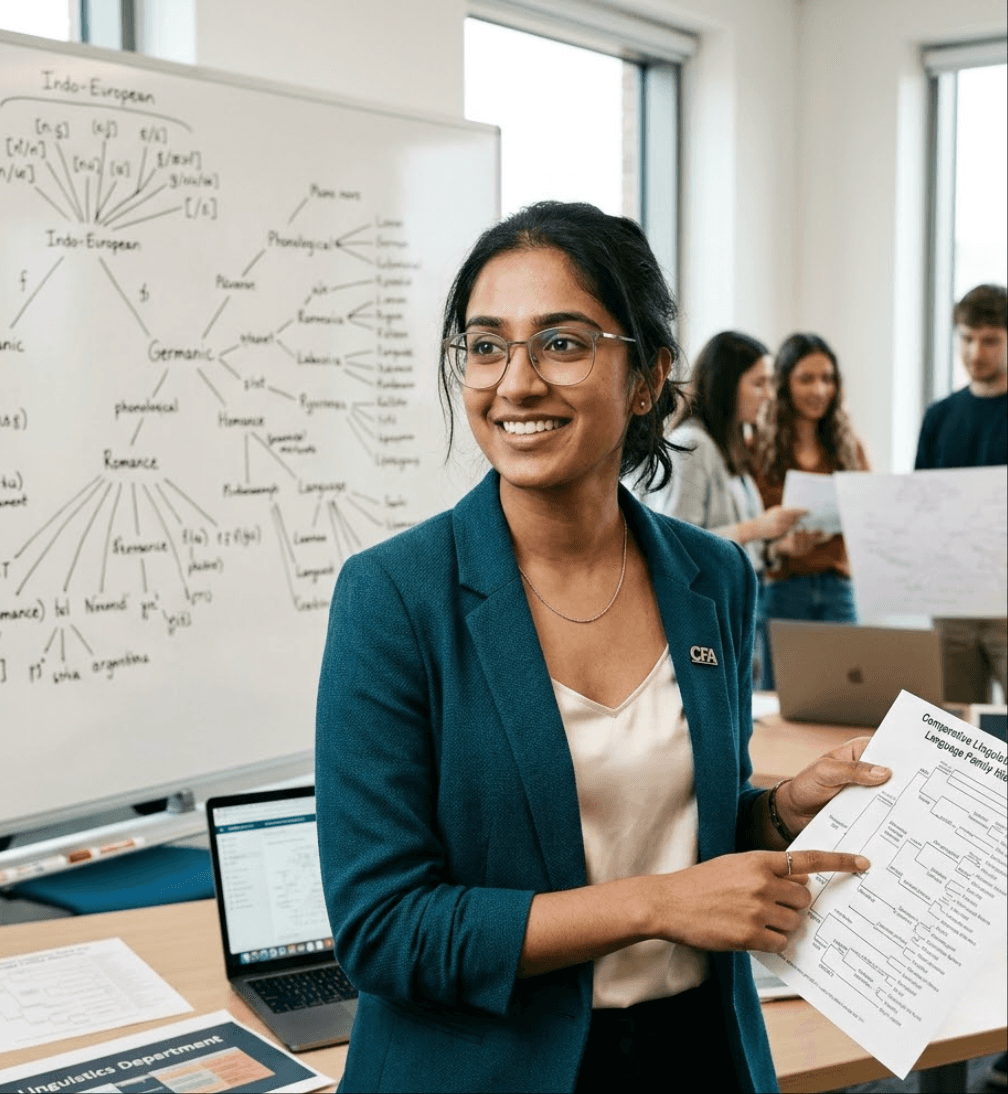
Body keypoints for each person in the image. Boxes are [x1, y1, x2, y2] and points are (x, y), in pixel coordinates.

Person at [315, 202, 889, 1093]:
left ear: (648, 376)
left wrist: (778, 812)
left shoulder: (711, 577)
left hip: (697, 1056)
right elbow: (383, 930)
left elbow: (675, 822)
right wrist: (657, 906)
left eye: (563, 343)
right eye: (486, 346)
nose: (516, 383)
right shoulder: (393, 596)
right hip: (490, 1072)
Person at [648, 331, 807, 683]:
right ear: (726, 385)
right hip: (703, 624)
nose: (770, 394)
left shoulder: (729, 448)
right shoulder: (692, 445)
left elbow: (729, 543)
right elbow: (674, 544)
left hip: (735, 614)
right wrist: (758, 528)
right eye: (759, 383)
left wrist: (776, 546)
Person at [754, 333, 870, 690]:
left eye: (827, 378)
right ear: (784, 384)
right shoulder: (757, 448)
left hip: (838, 589)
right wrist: (782, 547)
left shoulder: (849, 448)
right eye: (806, 379)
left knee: (846, 695)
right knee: (781, 699)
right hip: (782, 591)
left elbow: (871, 516)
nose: (819, 390)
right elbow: (748, 526)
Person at [914, 284, 1007, 709]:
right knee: (953, 723)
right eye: (967, 338)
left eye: (990, 340)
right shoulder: (940, 417)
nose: (975, 352)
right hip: (952, 599)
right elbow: (919, 504)